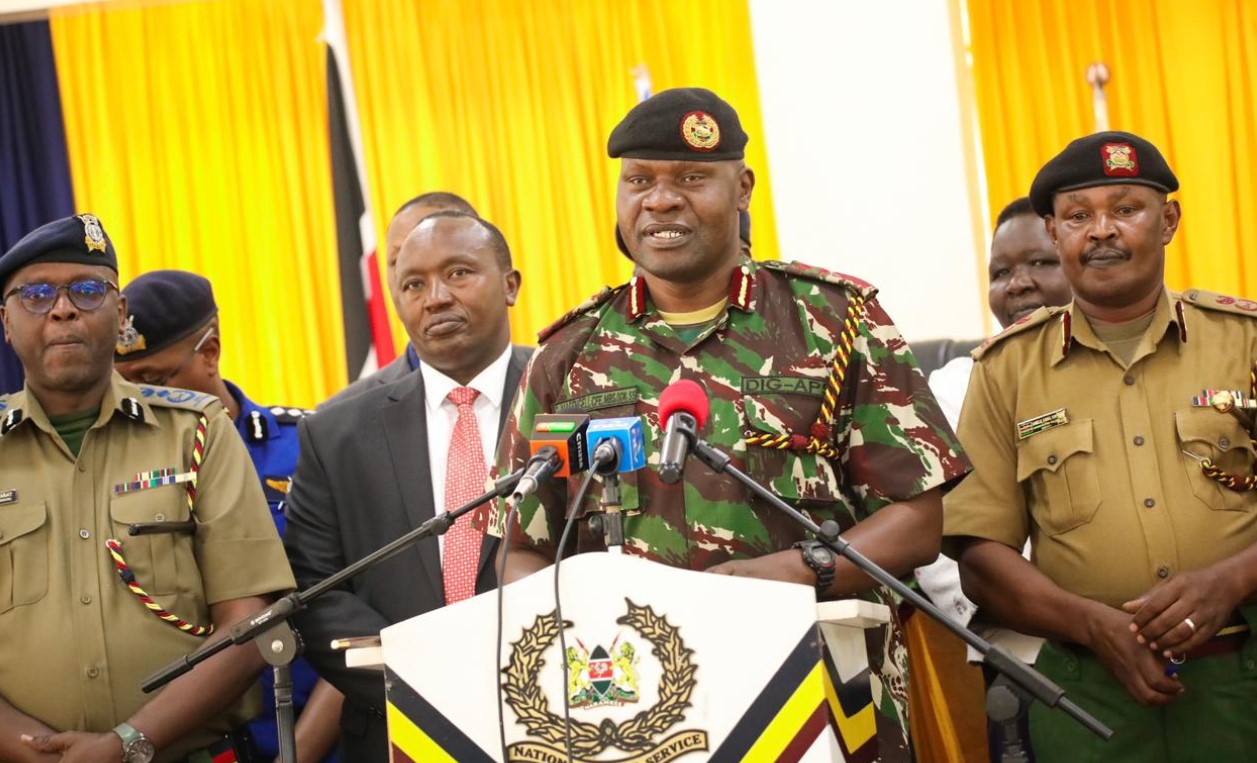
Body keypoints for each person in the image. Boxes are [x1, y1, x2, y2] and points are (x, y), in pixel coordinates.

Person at [490, 88, 969, 761]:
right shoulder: (567, 356)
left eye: (689, 178)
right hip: (631, 713)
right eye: (638, 181)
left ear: (740, 186)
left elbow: (917, 523)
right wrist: (575, 626)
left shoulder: (835, 322)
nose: (658, 200)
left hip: (821, 696)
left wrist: (800, 570)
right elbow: (520, 546)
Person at [944, 131, 1257, 761]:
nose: (1102, 231)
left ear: (1168, 220)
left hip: (1242, 674)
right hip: (1089, 690)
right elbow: (979, 552)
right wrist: (1093, 625)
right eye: (1079, 216)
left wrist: (1231, 579)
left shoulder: (1243, 342)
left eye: (1125, 210)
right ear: (1054, 234)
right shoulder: (1007, 369)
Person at [0, 214, 294, 763]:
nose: (63, 308)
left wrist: (127, 744)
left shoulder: (199, 429)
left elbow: (250, 622)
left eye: (87, 290)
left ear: (120, 315)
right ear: (6, 322)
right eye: (36, 295)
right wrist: (34, 752)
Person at [283, 211, 530, 762]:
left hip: (551, 718)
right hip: (396, 730)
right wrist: (425, 682)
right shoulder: (335, 434)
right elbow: (314, 590)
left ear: (510, 285)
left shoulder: (571, 396)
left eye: (459, 273)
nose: (435, 297)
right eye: (413, 284)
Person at [113, 270, 341, 763]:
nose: (139, 397)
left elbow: (360, 610)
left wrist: (298, 753)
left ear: (210, 352)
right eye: (124, 382)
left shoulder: (309, 445)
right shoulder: (118, 473)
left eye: (154, 379)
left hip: (319, 730)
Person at [912, 196, 1074, 761]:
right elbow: (935, 541)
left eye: (1041, 264)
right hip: (1021, 657)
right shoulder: (954, 385)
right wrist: (1057, 611)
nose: (1018, 285)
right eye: (1000, 273)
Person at [323, 192, 478, 406]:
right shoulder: (337, 420)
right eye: (399, 260)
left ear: (508, 283)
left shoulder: (539, 383)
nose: (434, 295)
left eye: (455, 270)